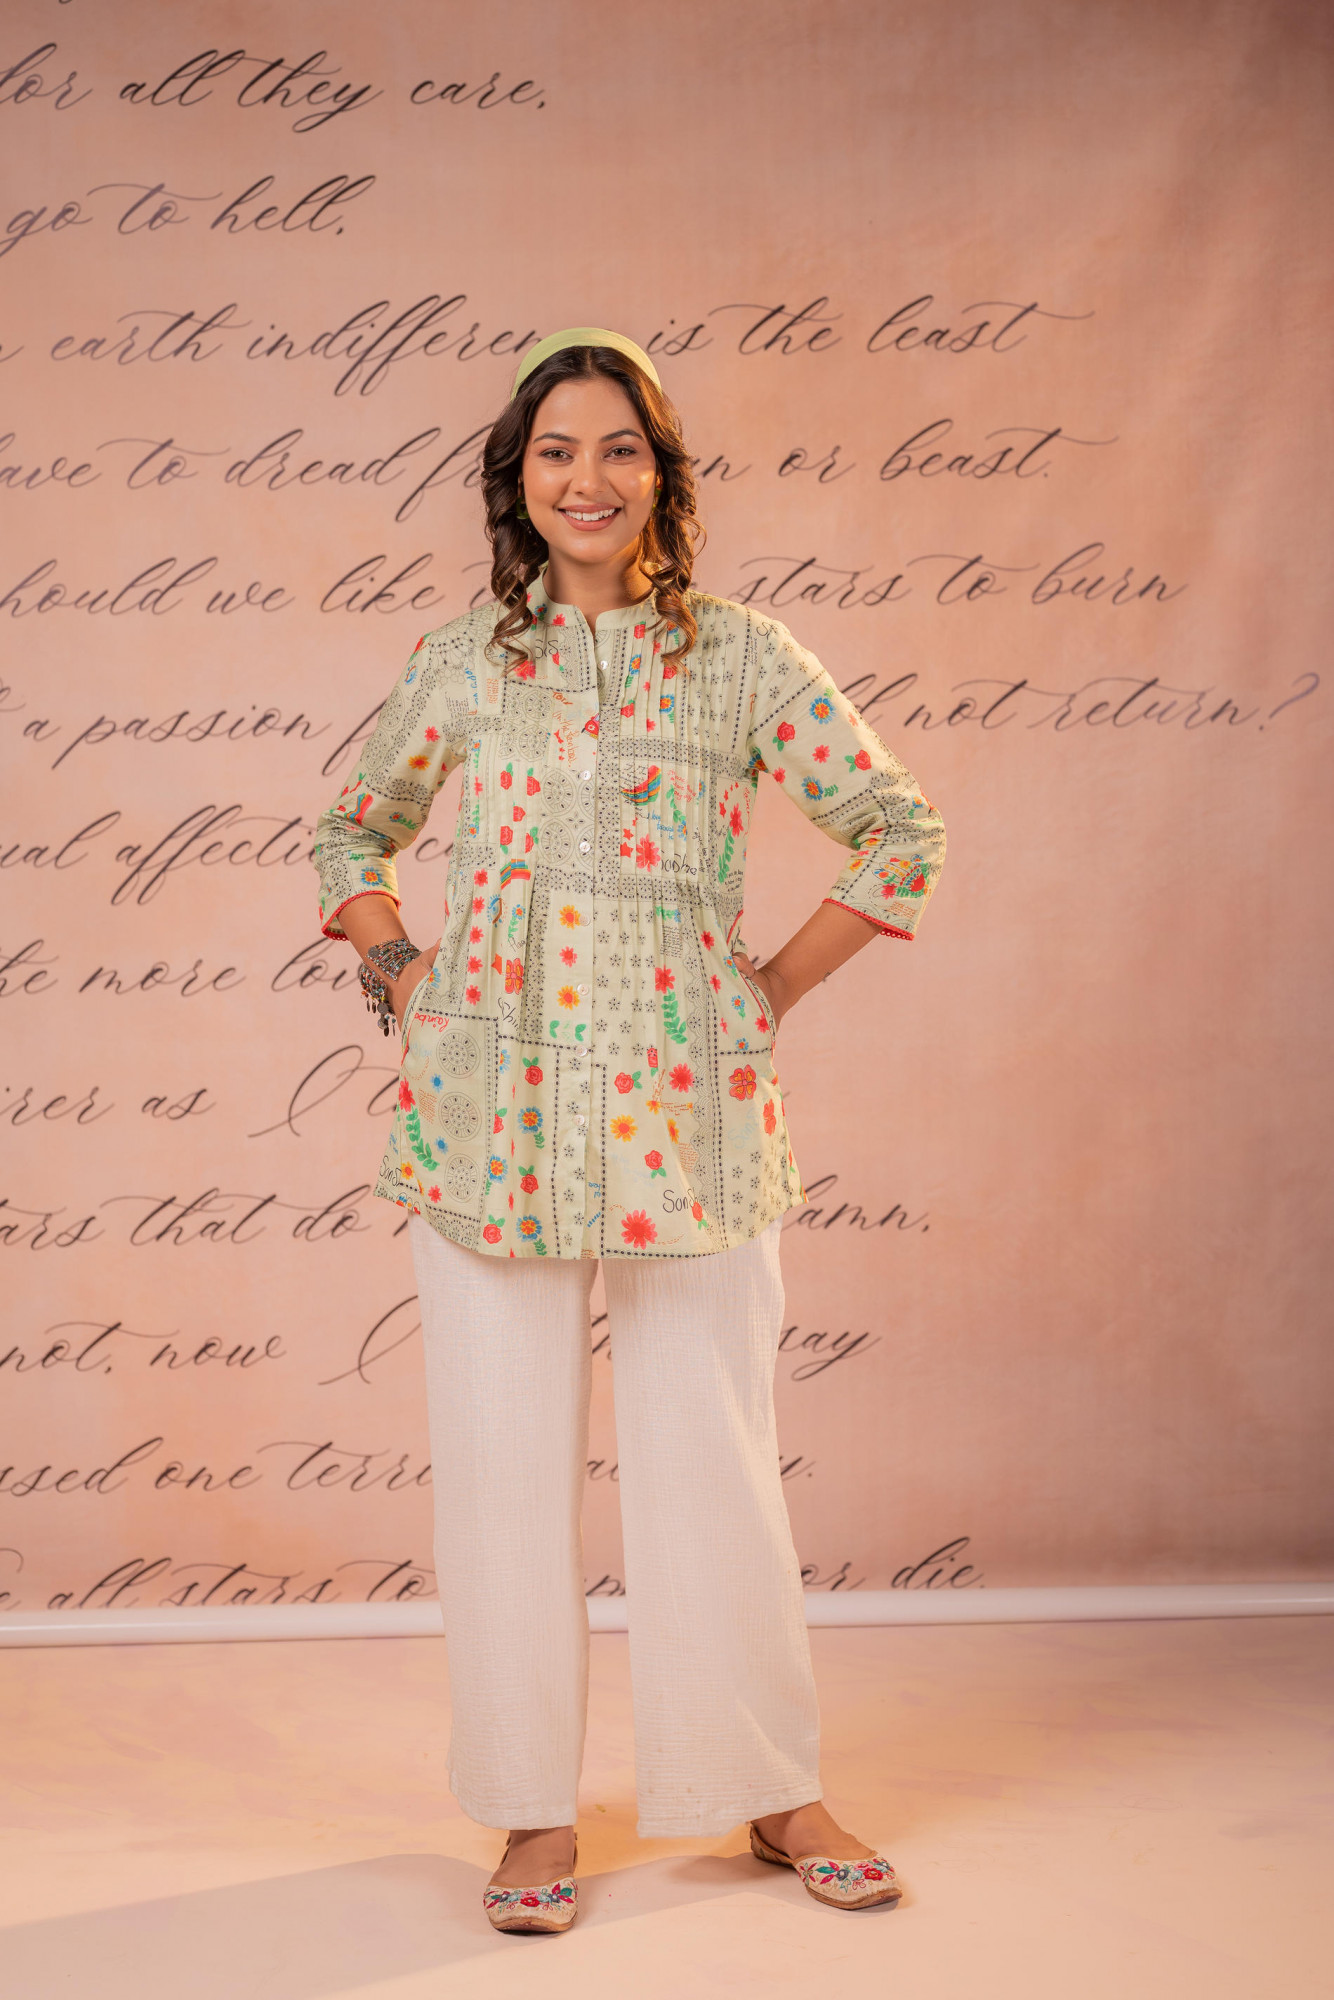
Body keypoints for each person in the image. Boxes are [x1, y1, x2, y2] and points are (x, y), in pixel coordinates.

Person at [311, 328, 946, 1934]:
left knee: (712, 1463)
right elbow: (354, 828)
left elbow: (897, 828)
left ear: (660, 476)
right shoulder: (465, 660)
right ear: (516, 481)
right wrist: (402, 971)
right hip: (486, 1123)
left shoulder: (740, 657)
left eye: (618, 449)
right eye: (554, 452)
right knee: (501, 1474)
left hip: (691, 1120)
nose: (584, 479)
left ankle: (768, 1788)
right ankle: (529, 1811)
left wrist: (766, 990)